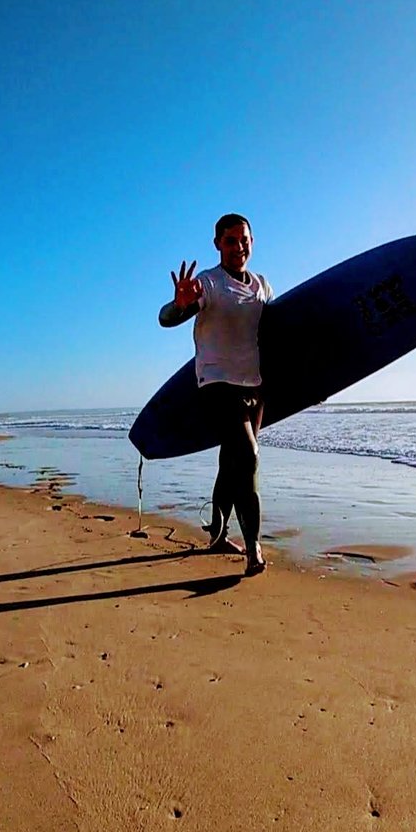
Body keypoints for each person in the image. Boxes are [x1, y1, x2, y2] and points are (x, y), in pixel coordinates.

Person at [158, 213, 272, 576]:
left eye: (244, 240)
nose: (239, 247)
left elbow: (278, 336)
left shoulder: (262, 286)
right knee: (249, 456)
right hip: (216, 383)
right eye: (230, 241)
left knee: (232, 461)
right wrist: (178, 305)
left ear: (252, 241)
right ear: (217, 245)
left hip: (252, 384)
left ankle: (218, 535)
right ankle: (253, 546)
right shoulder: (208, 284)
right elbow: (167, 318)